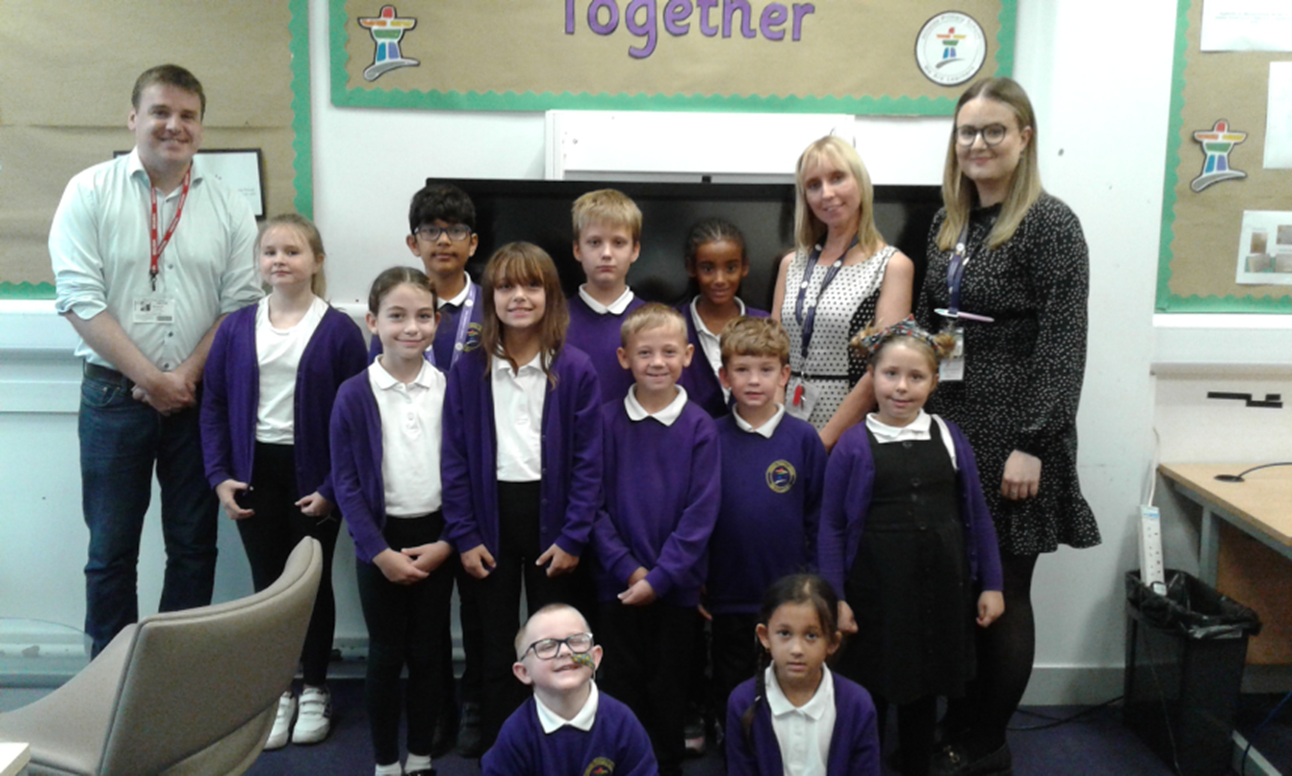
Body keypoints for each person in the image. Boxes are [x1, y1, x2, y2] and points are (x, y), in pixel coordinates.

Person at [915, 77, 1100, 776]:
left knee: (1005, 589)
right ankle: (958, 721)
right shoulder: (947, 225)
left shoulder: (1051, 224)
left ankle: (987, 737)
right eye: (967, 132)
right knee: (963, 587)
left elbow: (1063, 344)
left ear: (1024, 138)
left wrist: (1034, 443)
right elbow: (936, 325)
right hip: (951, 422)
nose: (978, 144)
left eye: (995, 130)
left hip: (1015, 431)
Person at [49, 64, 260, 657]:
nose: (175, 126)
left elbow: (241, 305)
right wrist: (151, 379)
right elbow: (77, 299)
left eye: (188, 115)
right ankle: (109, 679)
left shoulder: (227, 205)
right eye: (161, 112)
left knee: (194, 547)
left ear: (201, 125)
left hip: (196, 402)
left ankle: (173, 678)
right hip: (114, 398)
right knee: (110, 551)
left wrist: (182, 379)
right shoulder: (89, 191)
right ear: (133, 118)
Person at [200, 213, 367, 749]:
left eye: (293, 251)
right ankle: (278, 691)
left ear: (317, 261)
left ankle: (315, 686)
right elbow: (216, 405)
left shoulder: (339, 331)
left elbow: (354, 418)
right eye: (270, 251)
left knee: (310, 587)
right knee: (268, 588)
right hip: (254, 474)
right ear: (258, 262)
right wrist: (220, 475)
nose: (280, 260)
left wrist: (334, 489)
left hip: (314, 478)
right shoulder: (234, 327)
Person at [818, 318, 1005, 776]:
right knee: (871, 690)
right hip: (875, 590)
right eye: (890, 375)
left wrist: (993, 584)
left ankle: (918, 765)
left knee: (926, 688)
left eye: (916, 377)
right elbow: (831, 527)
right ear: (873, 378)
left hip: (940, 589)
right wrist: (836, 598)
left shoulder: (949, 436)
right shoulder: (853, 445)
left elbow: (977, 514)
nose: (902, 388)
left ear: (934, 382)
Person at [441, 242, 604, 752]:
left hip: (554, 525)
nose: (519, 297)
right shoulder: (468, 369)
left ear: (550, 296)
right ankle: (502, 747)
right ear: (490, 298)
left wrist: (574, 535)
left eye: (531, 286)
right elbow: (454, 459)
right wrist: (464, 535)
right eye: (506, 287)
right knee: (494, 644)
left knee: (560, 642)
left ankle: (564, 744)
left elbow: (587, 464)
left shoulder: (574, 369)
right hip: (489, 522)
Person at [371, 181, 486, 756]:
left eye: (456, 232)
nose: (444, 241)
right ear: (413, 242)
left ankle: (474, 704)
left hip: (477, 480)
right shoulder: (395, 310)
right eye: (432, 232)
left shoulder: (492, 304)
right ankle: (434, 706)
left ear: (473, 243)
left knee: (478, 603)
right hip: (414, 488)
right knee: (426, 620)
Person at [330, 267, 456, 776]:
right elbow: (346, 484)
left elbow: (466, 473)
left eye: (423, 316)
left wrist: (448, 542)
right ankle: (385, 762)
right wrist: (378, 552)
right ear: (372, 322)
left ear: (437, 322)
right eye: (397, 316)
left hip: (436, 542)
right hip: (378, 545)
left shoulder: (450, 388)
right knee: (385, 656)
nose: (411, 328)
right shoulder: (354, 394)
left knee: (428, 653)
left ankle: (421, 756)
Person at [593, 303, 720, 776]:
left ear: (688, 356)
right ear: (624, 358)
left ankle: (666, 765)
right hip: (617, 586)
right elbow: (592, 506)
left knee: (670, 684)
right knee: (622, 683)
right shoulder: (605, 422)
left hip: (677, 590)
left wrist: (661, 578)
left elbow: (701, 514)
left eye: (669, 351)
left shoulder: (701, 427)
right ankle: (626, 763)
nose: (658, 362)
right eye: (645, 352)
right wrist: (630, 570)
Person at [706, 316, 826, 735]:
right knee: (731, 679)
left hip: (788, 595)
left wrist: (813, 584)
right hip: (726, 591)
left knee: (789, 678)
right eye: (742, 370)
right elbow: (696, 518)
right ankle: (735, 749)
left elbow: (818, 518)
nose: (754, 380)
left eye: (766, 369)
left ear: (784, 374)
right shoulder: (709, 437)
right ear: (724, 375)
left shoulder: (803, 439)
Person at [771, 136, 915, 450]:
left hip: (853, 431)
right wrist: (778, 428)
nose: (827, 194)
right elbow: (772, 353)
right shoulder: (790, 264)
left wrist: (823, 441)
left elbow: (882, 367)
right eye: (813, 184)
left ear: (860, 183)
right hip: (787, 424)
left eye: (837, 178)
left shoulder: (892, 266)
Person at [725, 574, 880, 776]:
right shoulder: (743, 702)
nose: (796, 649)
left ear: (832, 643)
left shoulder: (857, 704)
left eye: (811, 636)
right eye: (784, 633)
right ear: (765, 636)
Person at [481, 604, 658, 776]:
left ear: (595, 658)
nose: (565, 651)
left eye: (577, 641)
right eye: (547, 646)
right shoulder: (516, 733)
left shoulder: (622, 723)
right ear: (524, 672)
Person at [676, 218, 769, 418]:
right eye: (708, 269)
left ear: (745, 267)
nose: (720, 279)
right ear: (691, 268)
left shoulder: (766, 326)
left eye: (731, 268)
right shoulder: (670, 327)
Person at [566, 189, 647, 403]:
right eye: (594, 242)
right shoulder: (554, 319)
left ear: (635, 250)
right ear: (577, 250)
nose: (606, 253)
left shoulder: (655, 322)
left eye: (618, 243)